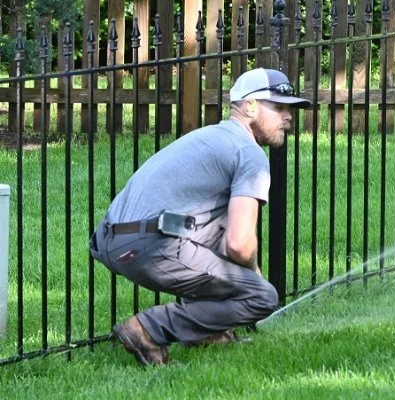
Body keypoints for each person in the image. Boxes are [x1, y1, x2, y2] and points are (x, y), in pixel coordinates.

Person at [89, 68, 311, 366]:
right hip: (149, 245)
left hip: (112, 239)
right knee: (262, 296)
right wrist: (254, 276)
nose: (288, 117)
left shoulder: (212, 136)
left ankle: (205, 333)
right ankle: (147, 330)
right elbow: (239, 244)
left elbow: (220, 235)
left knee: (218, 237)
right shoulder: (249, 153)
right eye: (279, 107)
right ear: (250, 106)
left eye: (291, 109)